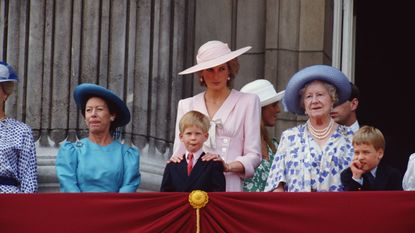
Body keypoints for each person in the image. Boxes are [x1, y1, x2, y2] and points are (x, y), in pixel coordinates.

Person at [171, 40, 262, 192]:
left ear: (229, 71)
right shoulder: (186, 105)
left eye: (221, 69)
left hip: (229, 186)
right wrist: (175, 161)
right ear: (201, 73)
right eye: (210, 70)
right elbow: (179, 153)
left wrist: (226, 166)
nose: (216, 75)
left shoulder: (248, 102)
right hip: (193, 187)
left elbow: (254, 155)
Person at [265, 64, 354, 192]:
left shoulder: (349, 137)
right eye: (308, 96)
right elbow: (276, 186)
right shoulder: (290, 137)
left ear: (332, 100)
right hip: (297, 210)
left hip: (337, 210)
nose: (314, 101)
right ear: (304, 105)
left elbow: (359, 182)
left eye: (320, 95)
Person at [56, 83, 140, 192]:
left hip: (115, 208)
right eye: (88, 110)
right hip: (79, 207)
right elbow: (69, 187)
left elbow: (128, 188)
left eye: (99, 109)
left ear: (112, 115)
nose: (93, 114)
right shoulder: (72, 151)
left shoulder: (126, 154)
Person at [161, 111, 225, 192]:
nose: (193, 138)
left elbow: (218, 195)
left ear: (206, 136)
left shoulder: (214, 164)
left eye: (198, 133)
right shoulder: (172, 166)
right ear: (181, 137)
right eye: (189, 133)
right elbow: (164, 196)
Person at [240, 79, 285, 192]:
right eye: (274, 105)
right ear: (258, 109)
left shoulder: (275, 145)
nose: (278, 110)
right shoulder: (238, 145)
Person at [0, 61, 38, 193]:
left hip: (9, 199)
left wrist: (25, 211)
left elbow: (29, 179)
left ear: (5, 94)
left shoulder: (21, 131)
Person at [341, 125, 402, 191]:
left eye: (365, 152)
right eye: (357, 153)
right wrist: (356, 178)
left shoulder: (392, 175)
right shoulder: (348, 174)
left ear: (380, 154)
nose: (360, 157)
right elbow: (350, 200)